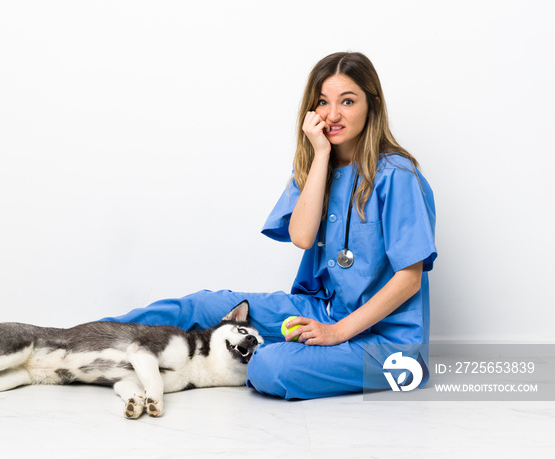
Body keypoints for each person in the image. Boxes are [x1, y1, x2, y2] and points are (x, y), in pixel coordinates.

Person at [103, 52, 437, 400]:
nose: (333, 115)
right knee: (202, 307)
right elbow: (302, 237)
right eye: (323, 102)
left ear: (373, 105)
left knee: (269, 366)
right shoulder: (317, 163)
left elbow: (409, 279)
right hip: (322, 311)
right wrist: (320, 154)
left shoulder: (396, 176)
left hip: (386, 344)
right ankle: (86, 341)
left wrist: (336, 333)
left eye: (348, 101)